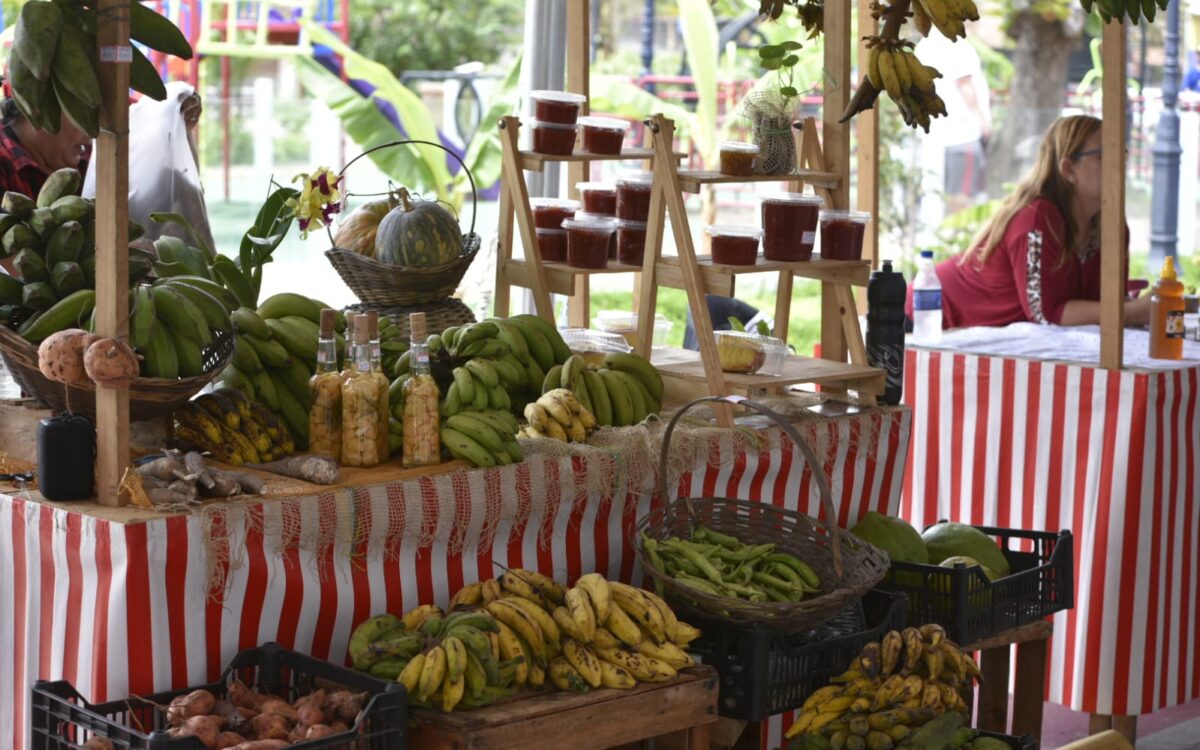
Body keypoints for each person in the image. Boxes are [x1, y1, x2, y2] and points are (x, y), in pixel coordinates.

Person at [907, 115, 1151, 328]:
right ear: (1068, 169)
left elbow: (1106, 305)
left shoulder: (1112, 226)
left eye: (1123, 153)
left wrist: (1145, 306)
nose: (1120, 164)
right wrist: (1134, 312)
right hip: (923, 320)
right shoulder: (1038, 217)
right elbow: (1047, 313)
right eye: (1105, 155)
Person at [0, 76, 201, 199]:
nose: (93, 132)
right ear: (41, 108)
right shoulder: (4, 162)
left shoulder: (92, 162)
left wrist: (176, 122)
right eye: (87, 113)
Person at [915, 30, 992, 219]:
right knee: (961, 195)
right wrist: (982, 120)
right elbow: (965, 84)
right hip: (962, 133)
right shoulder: (957, 45)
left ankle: (942, 237)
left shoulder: (924, 45)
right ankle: (958, 240)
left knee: (937, 194)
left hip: (932, 134)